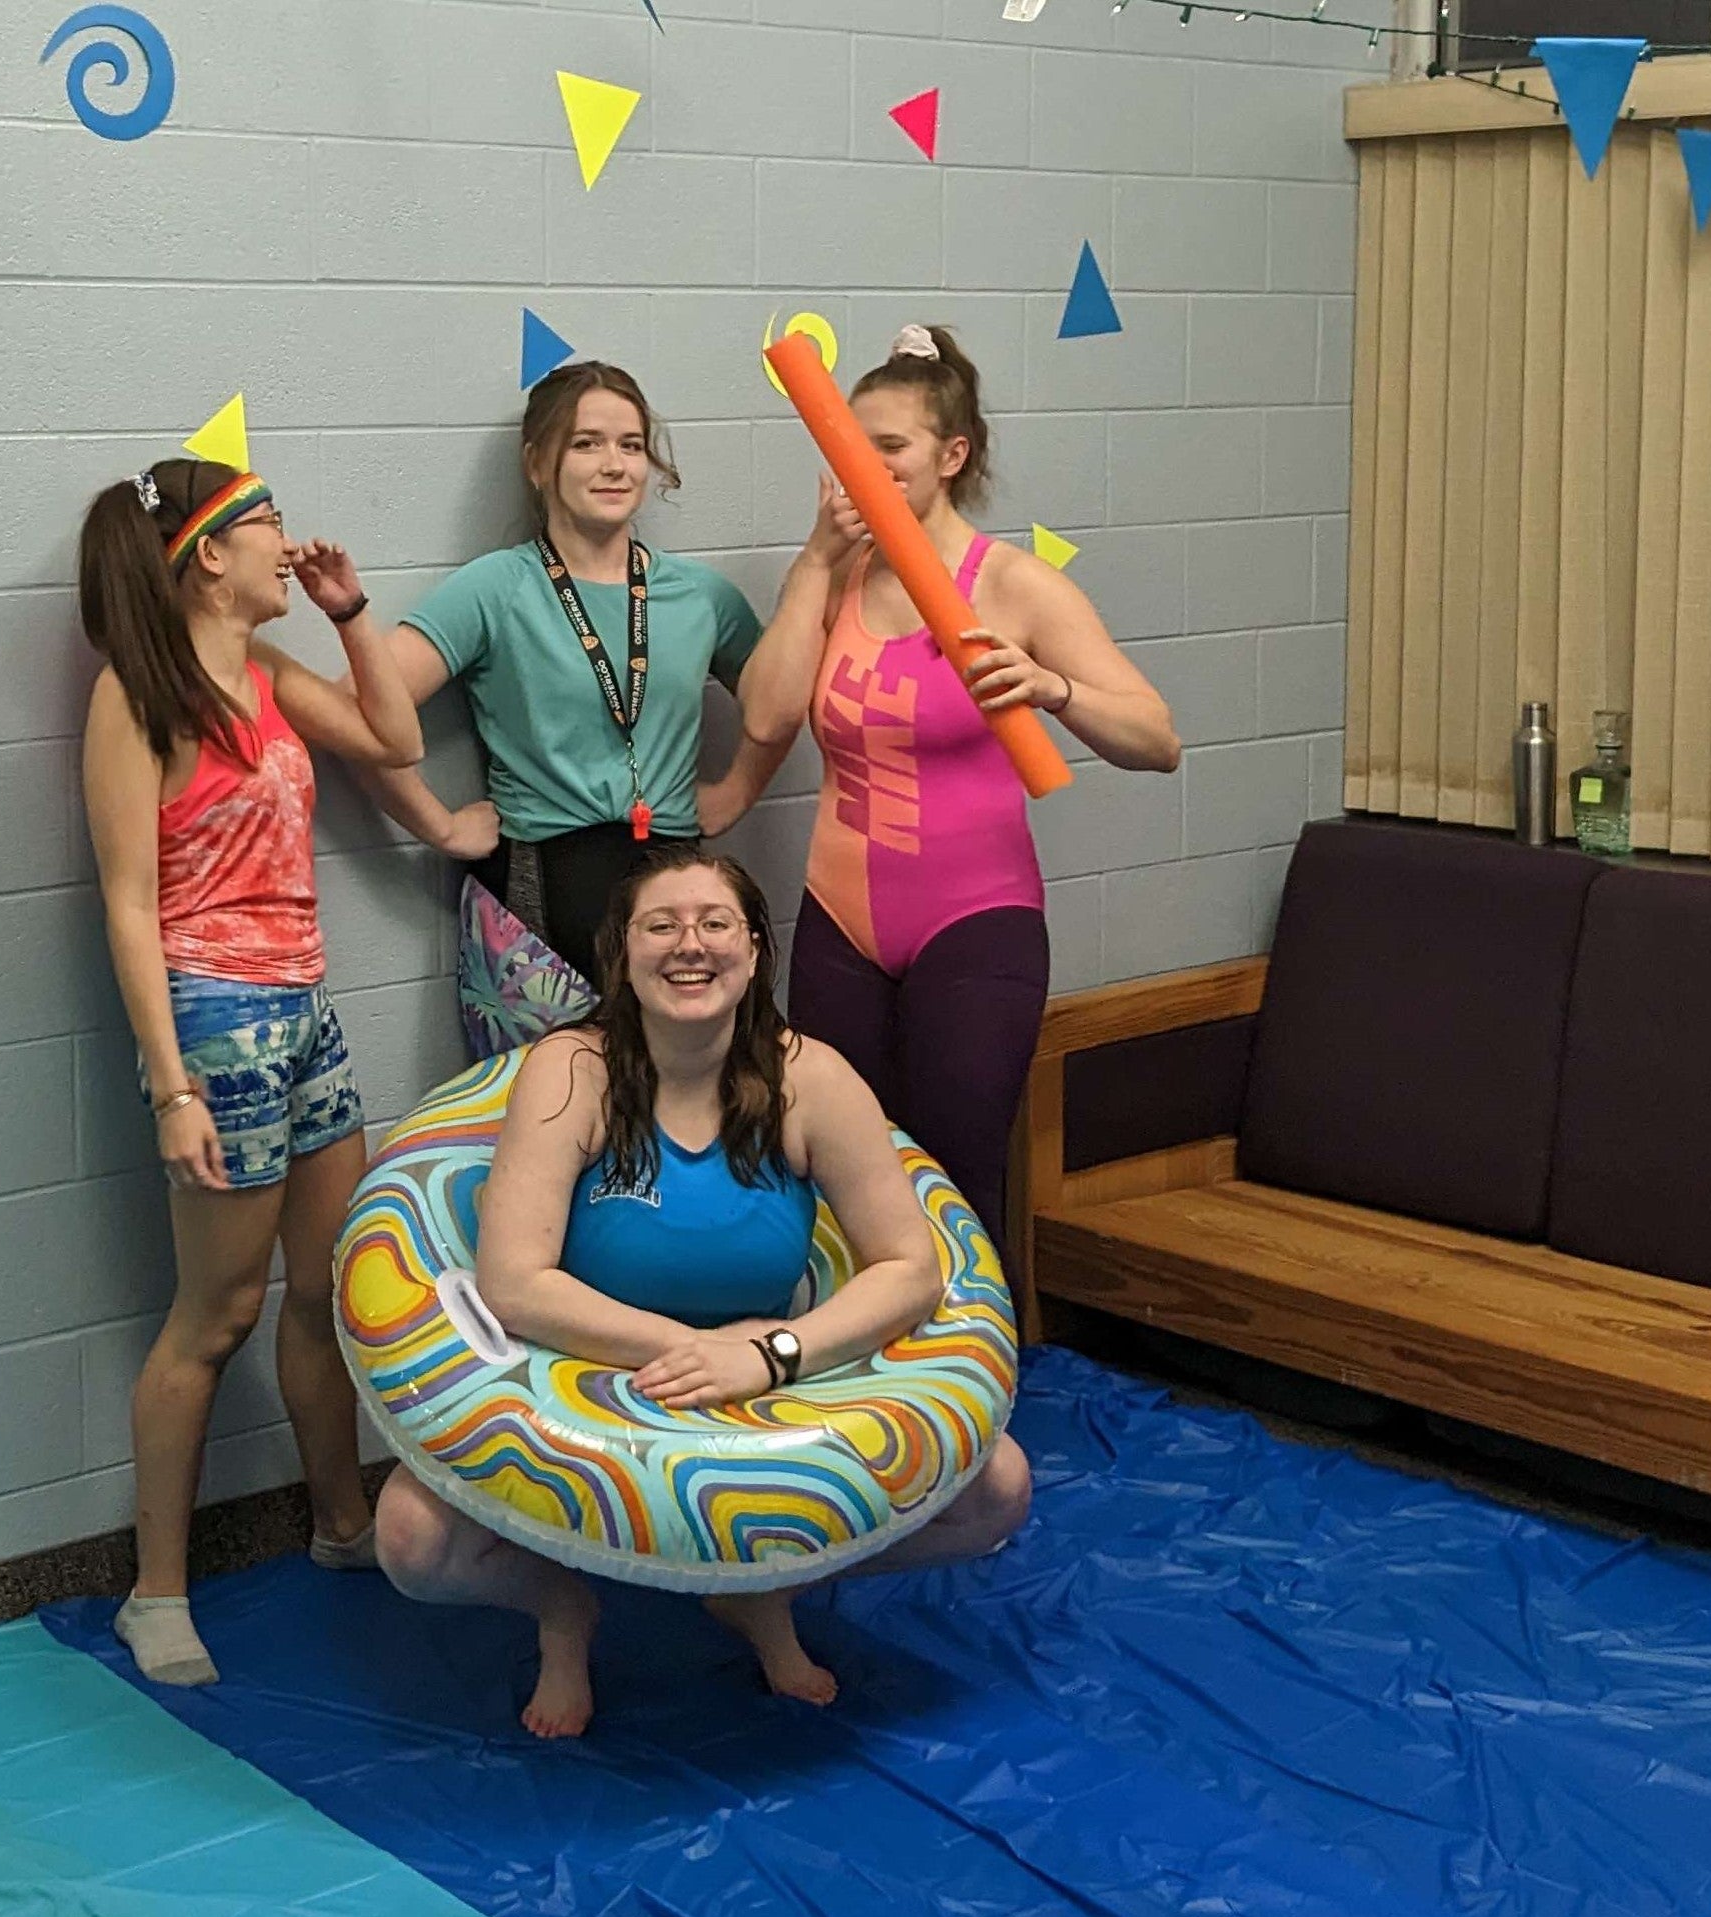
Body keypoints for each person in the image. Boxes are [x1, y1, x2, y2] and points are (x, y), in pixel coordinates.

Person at [371, 846, 1034, 1739]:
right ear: (622, 952)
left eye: (716, 923)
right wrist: (685, 1353)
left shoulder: (812, 1080)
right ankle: (562, 1612)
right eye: (661, 925)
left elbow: (909, 1267)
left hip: (763, 1370)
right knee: (412, 1537)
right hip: (590, 1372)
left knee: (997, 1486)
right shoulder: (572, 1073)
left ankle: (765, 1589)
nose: (691, 945)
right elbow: (514, 1282)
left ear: (755, 950)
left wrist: (767, 1354)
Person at [700, 325, 1181, 1265]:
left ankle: (977, 1397)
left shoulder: (1011, 585)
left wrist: (1055, 691)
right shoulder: (837, 575)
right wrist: (810, 563)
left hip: (975, 921)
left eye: (888, 448)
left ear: (951, 456)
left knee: (953, 1176)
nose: (861, 468)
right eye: (849, 446)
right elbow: (764, 717)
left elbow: (1156, 740)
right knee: (837, 1169)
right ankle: (861, 1386)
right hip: (841, 919)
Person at [77, 456, 424, 1686]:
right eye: (269, 523)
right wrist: (172, 1086)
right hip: (213, 1017)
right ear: (209, 553)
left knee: (325, 1290)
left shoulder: (272, 674)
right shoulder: (138, 698)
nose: (291, 539)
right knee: (213, 1316)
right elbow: (127, 906)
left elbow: (396, 736)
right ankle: (155, 1592)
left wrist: (351, 616)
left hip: (306, 1004)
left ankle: (340, 1527)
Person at [355, 362, 768, 1051]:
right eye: (585, 443)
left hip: (676, 900)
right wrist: (435, 824)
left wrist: (741, 784)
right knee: (543, 1130)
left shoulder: (701, 596)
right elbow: (357, 712)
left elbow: (782, 705)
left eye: (631, 445)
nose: (613, 465)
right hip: (537, 907)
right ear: (537, 462)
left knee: (682, 1126)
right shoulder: (495, 587)